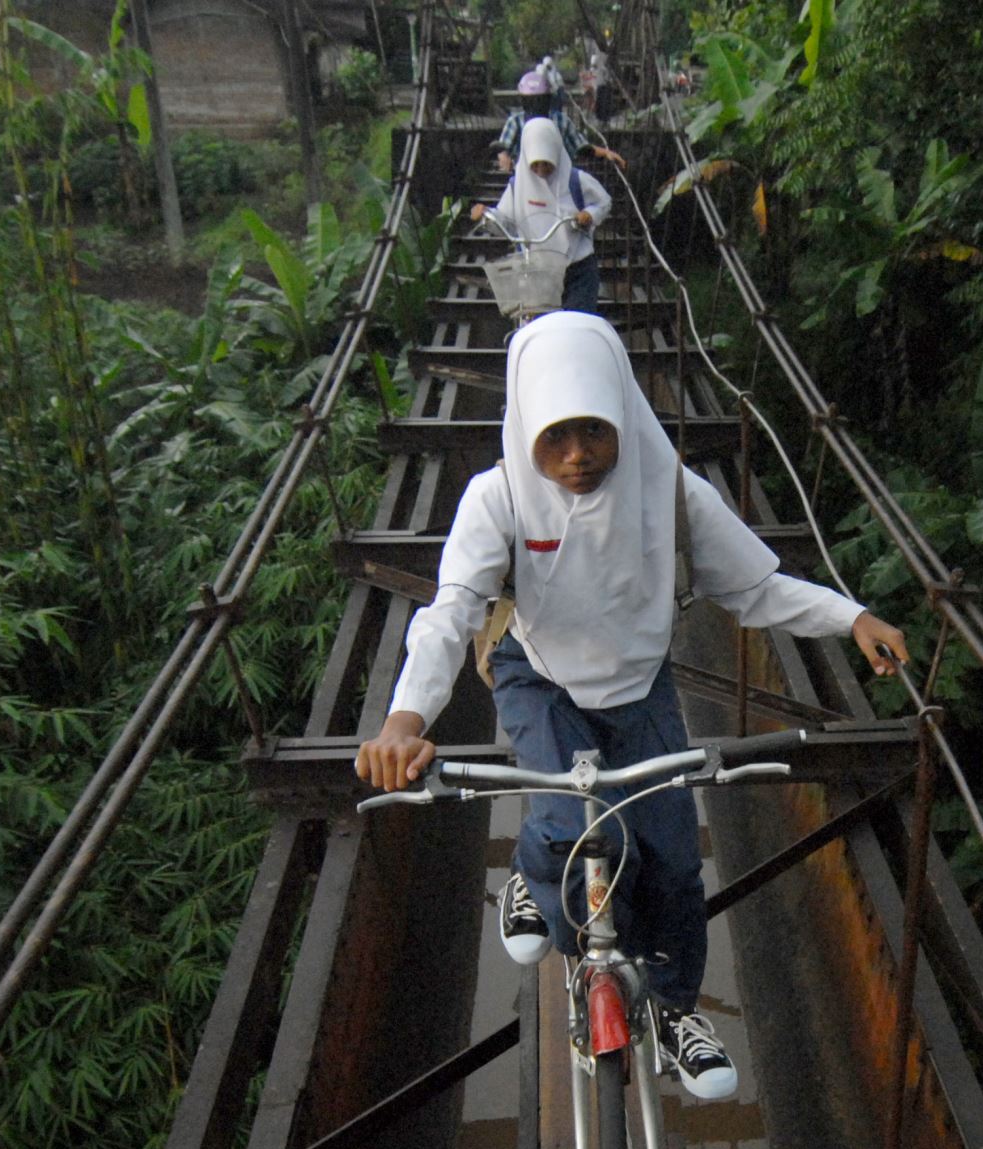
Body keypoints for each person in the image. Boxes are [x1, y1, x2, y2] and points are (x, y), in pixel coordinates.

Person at [355, 312, 910, 1100]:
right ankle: (532, 877)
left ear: (621, 413)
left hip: (638, 683)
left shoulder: (672, 493)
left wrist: (848, 617)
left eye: (593, 430)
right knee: (582, 827)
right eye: (555, 436)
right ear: (526, 428)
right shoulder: (499, 497)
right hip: (539, 675)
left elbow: (754, 587)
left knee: (676, 863)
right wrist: (405, 719)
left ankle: (675, 1008)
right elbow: (451, 613)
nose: (576, 454)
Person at [473, 117, 609, 316]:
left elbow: (603, 201)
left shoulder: (575, 180)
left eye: (547, 164)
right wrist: (486, 214)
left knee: (578, 321)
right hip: (538, 271)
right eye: (535, 165)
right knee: (538, 322)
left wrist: (589, 214)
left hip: (577, 267)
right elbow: (504, 221)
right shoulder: (517, 186)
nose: (541, 171)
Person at [494, 64, 618, 172]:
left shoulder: (561, 121)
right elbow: (503, 147)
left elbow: (581, 147)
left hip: (559, 182)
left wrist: (606, 153)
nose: (535, 105)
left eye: (539, 100)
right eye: (530, 100)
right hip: (524, 182)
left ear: (547, 99)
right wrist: (504, 158)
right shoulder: (515, 122)